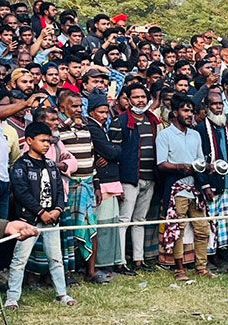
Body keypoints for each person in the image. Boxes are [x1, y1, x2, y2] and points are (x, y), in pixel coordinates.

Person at [4, 121, 74, 309]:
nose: (46, 145)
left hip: (52, 219)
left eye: (49, 142)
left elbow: (59, 189)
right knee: (20, 260)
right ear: (29, 140)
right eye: (42, 141)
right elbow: (21, 192)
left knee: (56, 258)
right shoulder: (21, 165)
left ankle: (62, 293)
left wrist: (57, 209)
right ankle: (12, 298)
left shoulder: (51, 165)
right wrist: (41, 212)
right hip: (28, 220)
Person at [156, 94, 213, 281]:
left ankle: (201, 267)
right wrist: (181, 166)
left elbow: (199, 162)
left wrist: (205, 180)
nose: (189, 115)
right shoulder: (165, 135)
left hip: (195, 188)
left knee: (202, 228)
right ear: (175, 113)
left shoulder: (195, 134)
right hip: (176, 188)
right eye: (185, 111)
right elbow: (161, 164)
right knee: (177, 229)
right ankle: (179, 268)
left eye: (191, 111)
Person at [111, 82, 161, 272]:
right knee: (124, 220)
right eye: (136, 97)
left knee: (140, 220)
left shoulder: (153, 120)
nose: (140, 100)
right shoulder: (120, 121)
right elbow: (115, 152)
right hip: (129, 177)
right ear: (128, 100)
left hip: (150, 177)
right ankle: (120, 261)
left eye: (143, 97)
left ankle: (139, 260)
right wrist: (117, 181)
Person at [57, 88, 101, 283]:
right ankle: (66, 273)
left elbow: (92, 158)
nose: (78, 109)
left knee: (91, 228)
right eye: (73, 106)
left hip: (88, 184)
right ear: (61, 107)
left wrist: (97, 185)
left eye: (80, 106)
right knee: (68, 231)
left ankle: (91, 272)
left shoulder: (85, 127)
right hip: (68, 186)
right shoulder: (57, 130)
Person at [86, 92, 126, 279]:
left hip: (109, 180)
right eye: (101, 112)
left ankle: (107, 263)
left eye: (106, 112)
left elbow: (112, 152)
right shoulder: (93, 128)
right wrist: (112, 152)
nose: (104, 116)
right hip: (101, 182)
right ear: (92, 112)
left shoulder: (101, 127)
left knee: (110, 223)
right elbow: (113, 152)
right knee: (102, 225)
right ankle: (100, 264)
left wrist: (112, 152)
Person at [196, 90, 228, 270]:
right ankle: (209, 258)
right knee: (209, 222)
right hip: (210, 184)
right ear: (207, 107)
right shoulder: (200, 129)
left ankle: (220, 256)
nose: (218, 107)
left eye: (220, 103)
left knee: (223, 222)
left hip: (226, 183)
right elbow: (198, 160)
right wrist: (205, 184)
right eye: (214, 104)